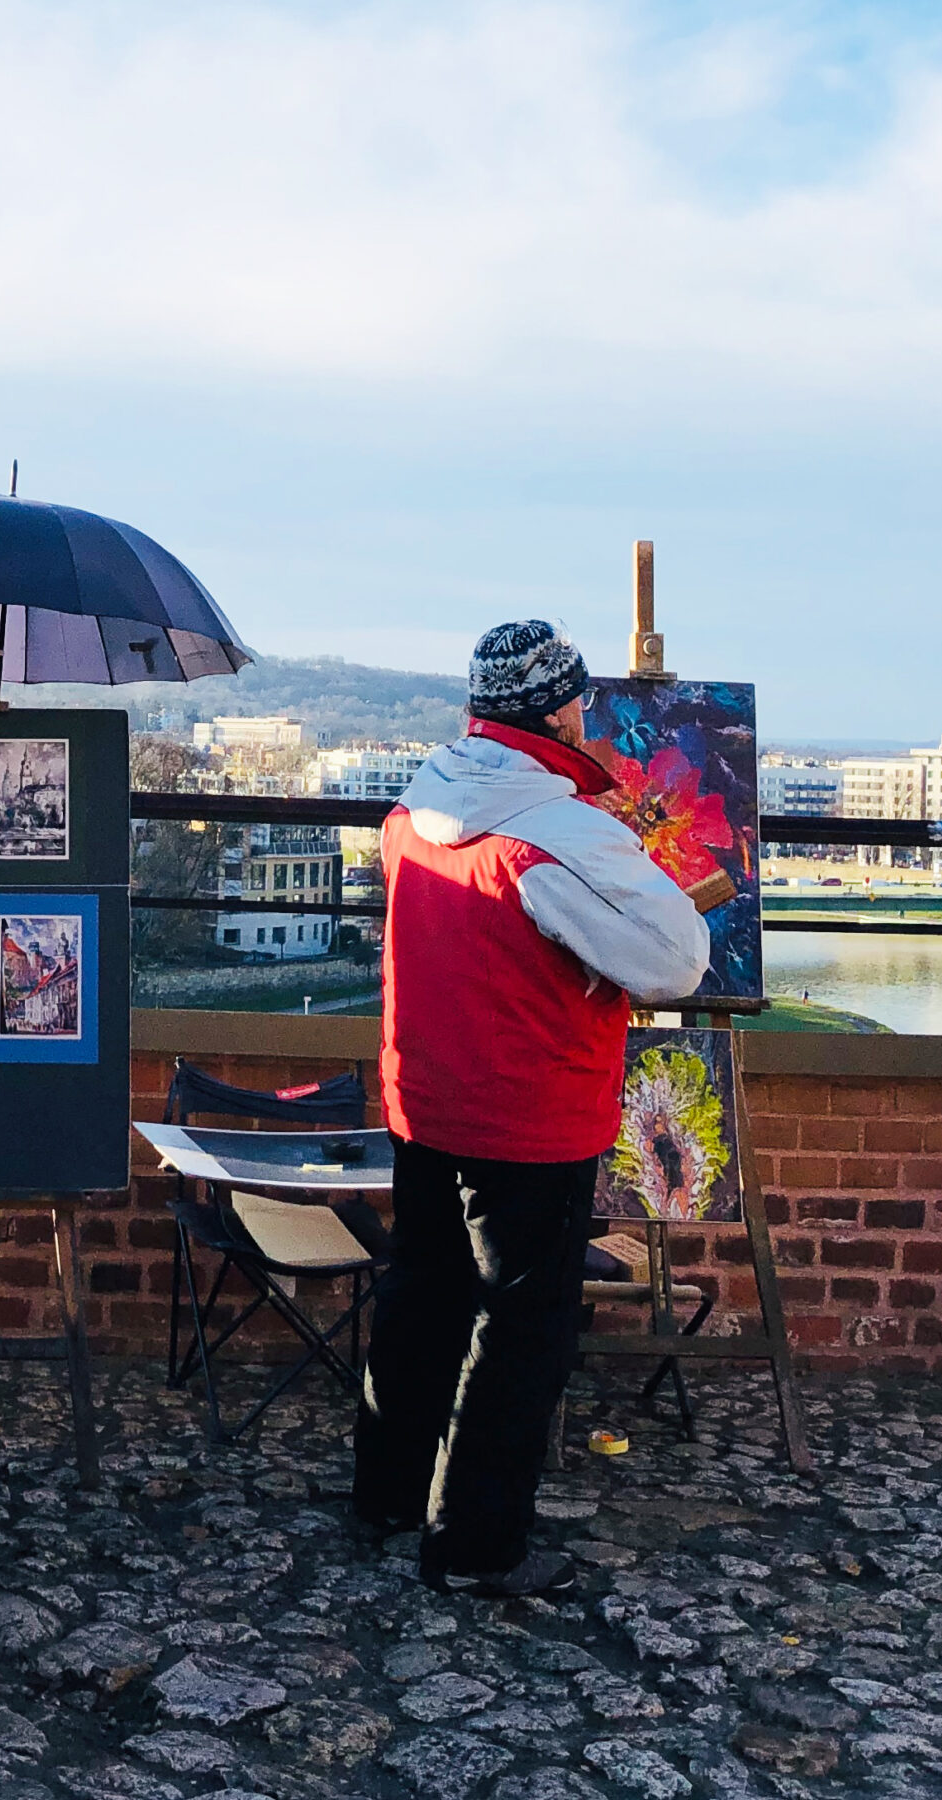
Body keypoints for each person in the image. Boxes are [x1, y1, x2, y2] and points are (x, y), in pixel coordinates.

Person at [355, 621, 711, 1600]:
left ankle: (385, 1495)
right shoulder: (558, 832)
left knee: (419, 1298)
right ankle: (473, 1544)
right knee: (518, 1331)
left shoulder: (414, 807)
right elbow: (674, 959)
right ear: (559, 709)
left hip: (423, 1096)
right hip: (528, 1112)